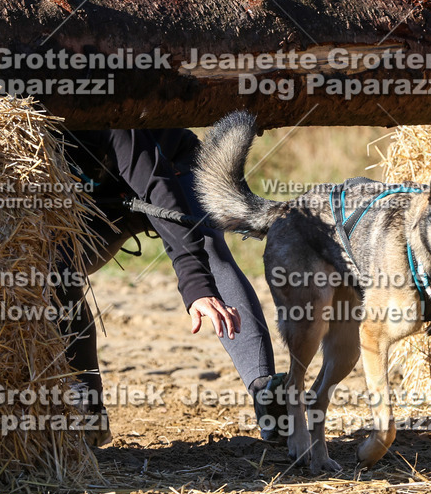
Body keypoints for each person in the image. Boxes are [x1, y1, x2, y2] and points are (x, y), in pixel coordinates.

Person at [55, 126, 285, 444]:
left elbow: (158, 192)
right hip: (103, 202)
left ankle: (266, 390)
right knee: (56, 271)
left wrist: (197, 288)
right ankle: (89, 413)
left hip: (171, 170)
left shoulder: (106, 111)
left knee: (209, 250)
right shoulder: (21, 128)